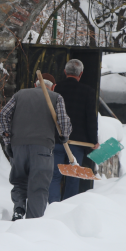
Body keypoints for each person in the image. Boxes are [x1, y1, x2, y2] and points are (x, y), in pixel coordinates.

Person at [0, 73, 72, 220]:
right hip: (42, 149)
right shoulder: (56, 97)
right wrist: (65, 135)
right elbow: (63, 122)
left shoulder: (20, 94)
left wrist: (7, 140)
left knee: (19, 181)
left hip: (18, 146)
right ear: (53, 86)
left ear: (35, 84)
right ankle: (33, 222)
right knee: (38, 186)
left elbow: (4, 114)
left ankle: (19, 208)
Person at [48, 59, 99, 203]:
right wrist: (93, 140)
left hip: (56, 139)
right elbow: (91, 119)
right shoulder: (87, 92)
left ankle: (53, 205)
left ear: (65, 72)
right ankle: (67, 208)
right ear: (81, 74)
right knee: (73, 176)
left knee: (54, 176)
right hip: (77, 142)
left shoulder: (55, 89)